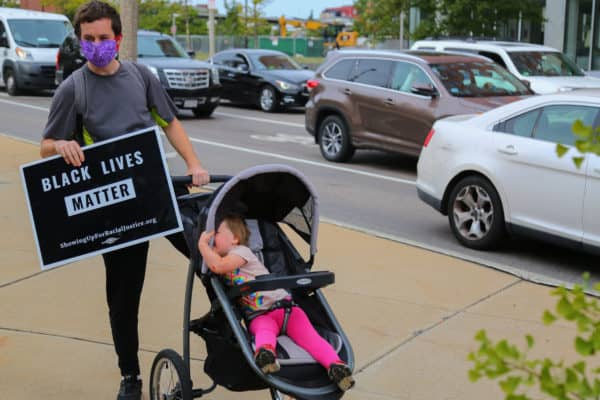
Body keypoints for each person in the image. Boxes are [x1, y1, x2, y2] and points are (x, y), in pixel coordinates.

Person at [39, 2, 209, 399]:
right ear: (81, 41)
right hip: (114, 209)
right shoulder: (73, 89)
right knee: (123, 296)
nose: (96, 45)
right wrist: (60, 144)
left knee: (208, 251)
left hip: (156, 189)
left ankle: (238, 330)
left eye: (103, 38)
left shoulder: (140, 76)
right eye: (88, 39)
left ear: (118, 38)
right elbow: (44, 146)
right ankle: (129, 375)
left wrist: (194, 162)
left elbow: (170, 122)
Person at [198, 216, 355, 392]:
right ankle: (266, 355)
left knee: (311, 339)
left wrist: (203, 246)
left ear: (234, 238)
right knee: (264, 330)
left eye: (216, 233)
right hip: (264, 315)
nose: (211, 238)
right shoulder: (224, 258)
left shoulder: (241, 252)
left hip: (285, 309)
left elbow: (217, 266)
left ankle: (337, 367)